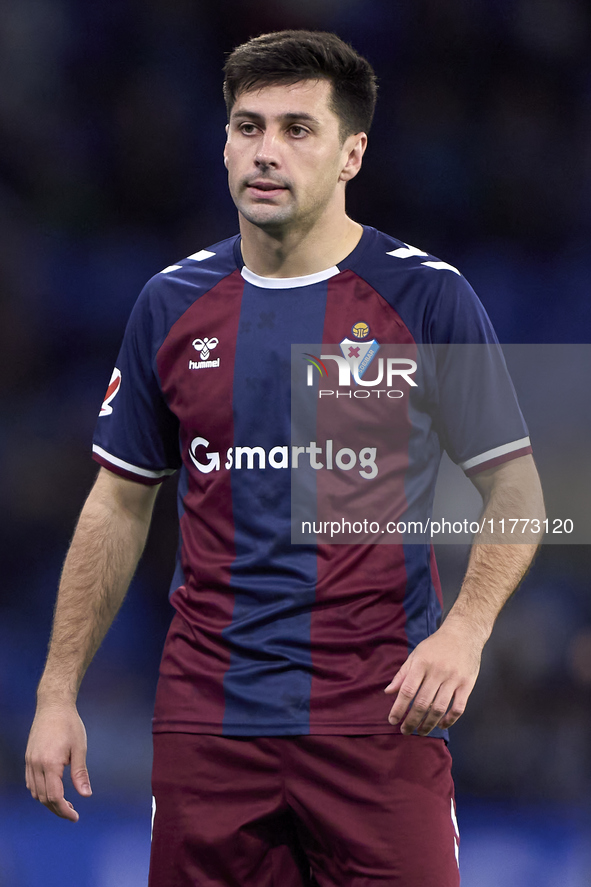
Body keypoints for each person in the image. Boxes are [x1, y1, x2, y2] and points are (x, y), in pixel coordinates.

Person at [25, 29, 545, 887]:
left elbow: (515, 488)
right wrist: (55, 692)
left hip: (379, 723)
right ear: (223, 143)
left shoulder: (424, 295)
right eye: (247, 126)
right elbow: (118, 504)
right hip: (208, 728)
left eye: (298, 129)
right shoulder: (171, 303)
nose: (266, 152)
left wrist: (465, 632)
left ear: (352, 152)